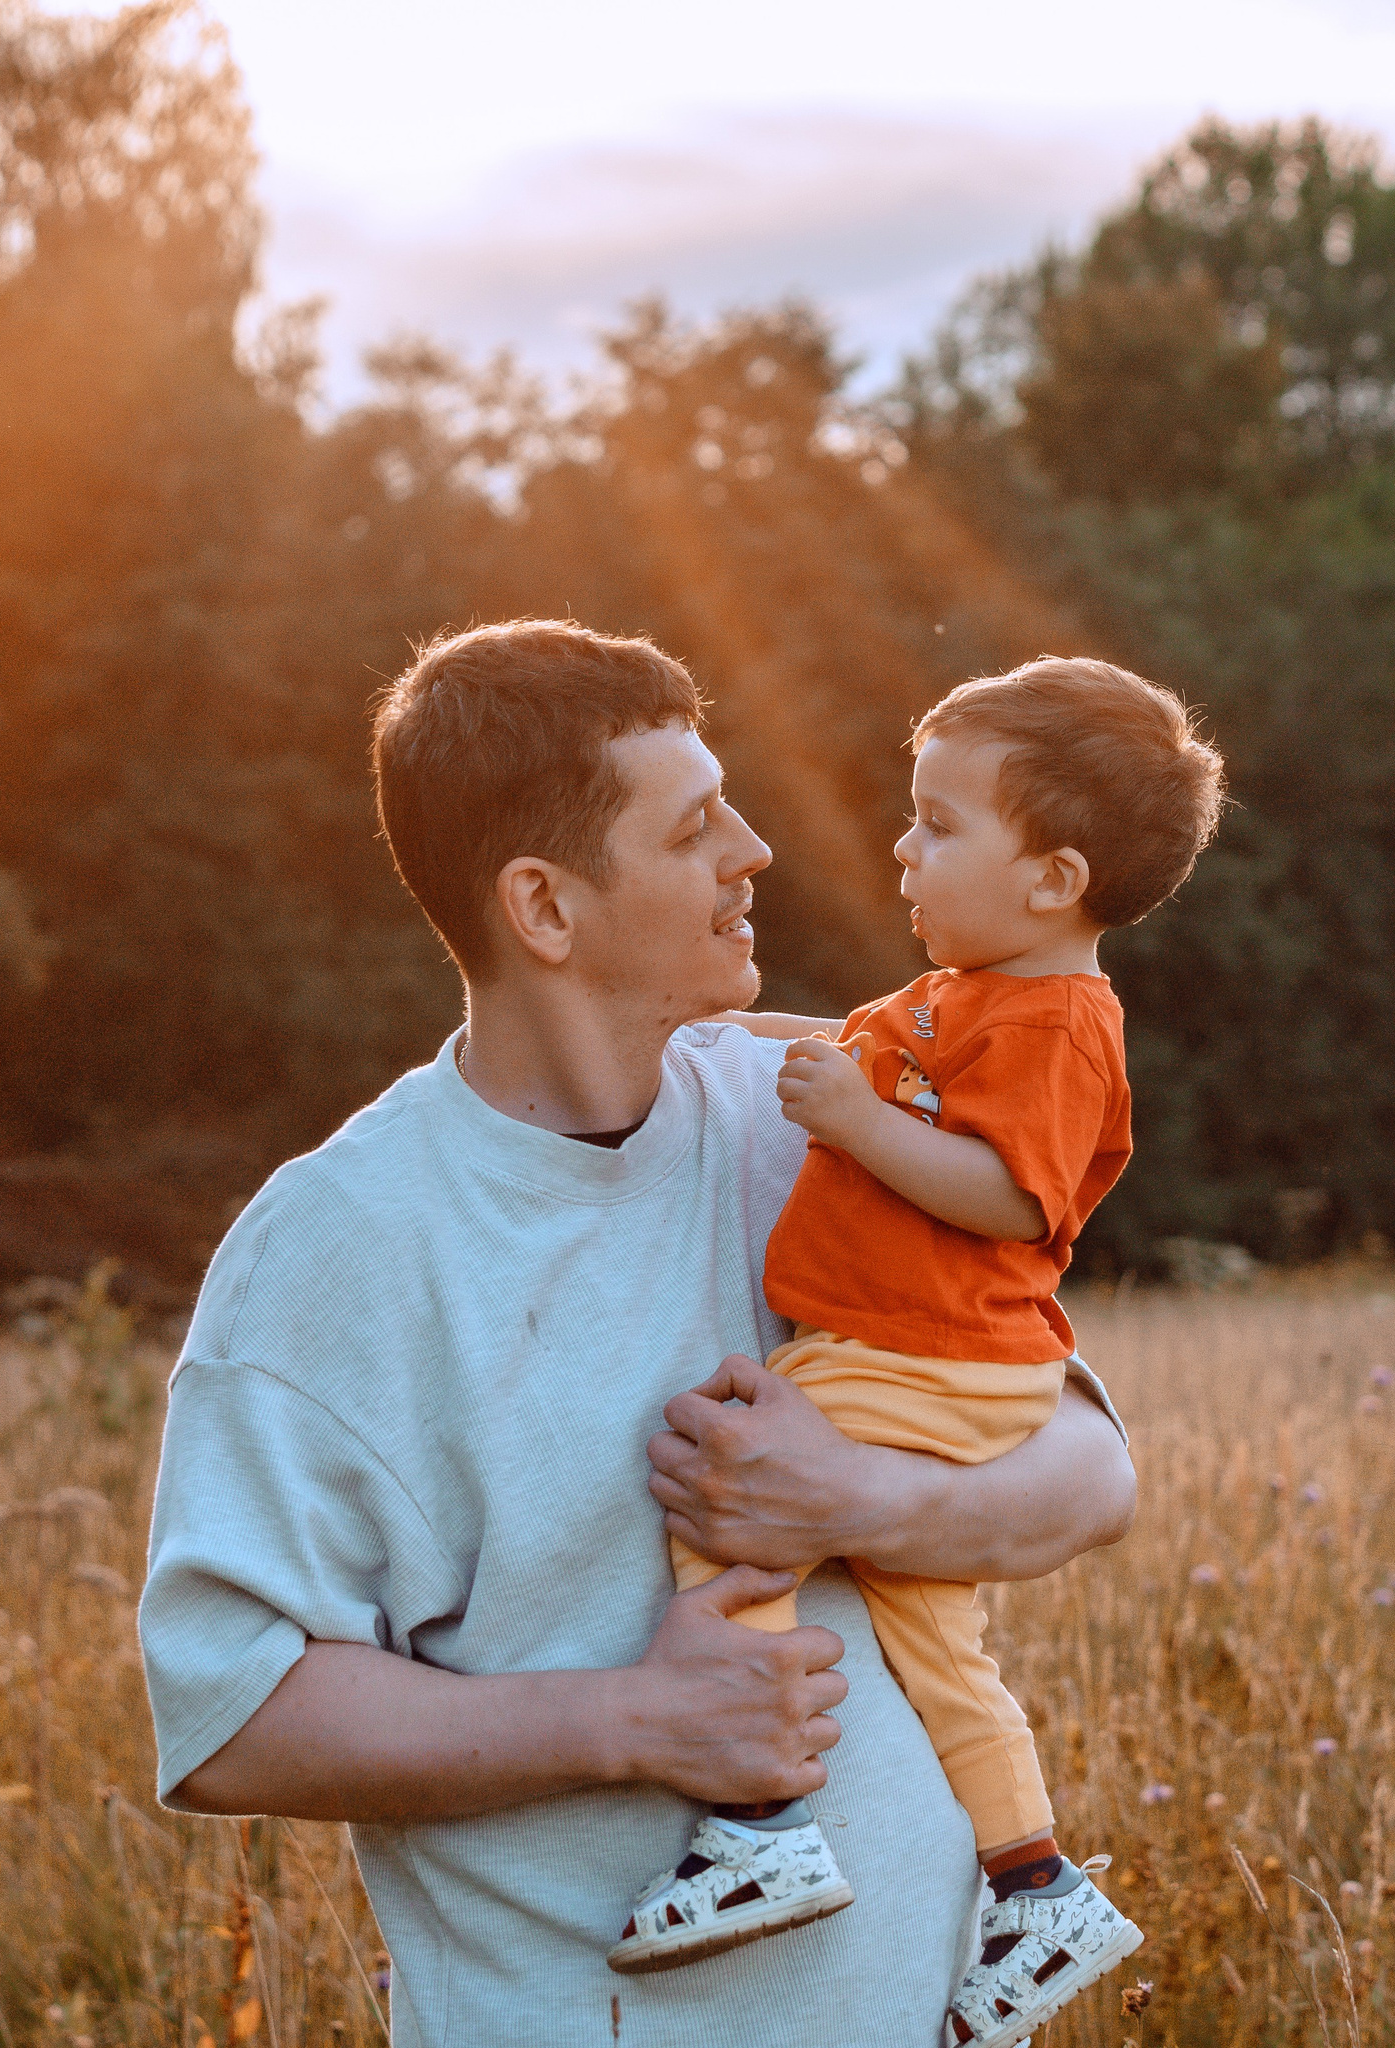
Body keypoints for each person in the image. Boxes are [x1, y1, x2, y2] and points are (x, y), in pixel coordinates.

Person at [136, 620, 1139, 2048]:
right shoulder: (338, 1249)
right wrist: (633, 1720)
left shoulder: (813, 1120)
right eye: (692, 828)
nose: (755, 851)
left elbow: (1091, 1469)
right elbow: (234, 1721)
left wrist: (866, 1502)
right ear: (544, 908)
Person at [615, 659, 1223, 2048]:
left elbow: (1012, 1195)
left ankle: (763, 1821)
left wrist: (853, 1122)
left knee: (732, 1486)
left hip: (923, 1354)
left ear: (1054, 880)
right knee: (939, 1645)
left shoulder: (1062, 1023)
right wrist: (729, 1037)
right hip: (932, 1355)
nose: (902, 847)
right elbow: (851, 1052)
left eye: (940, 825)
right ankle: (1035, 1883)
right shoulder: (968, 995)